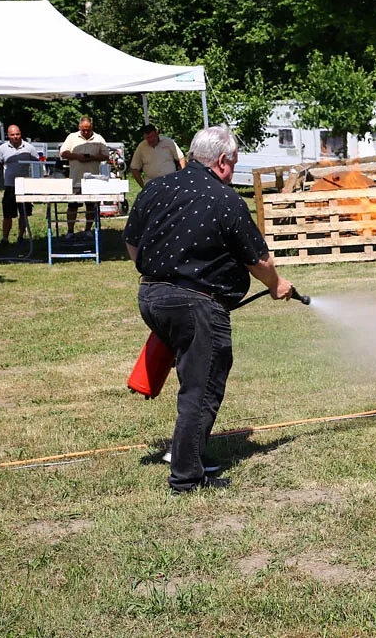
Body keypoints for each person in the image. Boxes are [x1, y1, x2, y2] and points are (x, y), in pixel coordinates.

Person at [123, 124, 293, 495]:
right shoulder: (225, 198)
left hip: (151, 297)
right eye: (233, 162)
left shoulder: (156, 188)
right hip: (196, 305)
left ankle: (193, 456)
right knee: (202, 388)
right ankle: (185, 477)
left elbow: (133, 245)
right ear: (221, 161)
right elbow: (258, 260)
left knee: (194, 378)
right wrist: (277, 285)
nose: (232, 170)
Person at [59, 116, 108, 240]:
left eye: (88, 129)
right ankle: (70, 231)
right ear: (79, 127)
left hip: (92, 180)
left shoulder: (99, 138)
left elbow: (106, 155)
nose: (86, 132)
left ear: (92, 127)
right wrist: (77, 156)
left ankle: (88, 230)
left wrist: (92, 157)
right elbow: (63, 153)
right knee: (72, 206)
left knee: (91, 206)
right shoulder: (72, 137)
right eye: (84, 130)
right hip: (75, 179)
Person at [0, 124, 39, 247]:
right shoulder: (2, 148)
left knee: (24, 214)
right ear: (8, 135)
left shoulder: (29, 148)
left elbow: (36, 163)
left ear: (21, 134)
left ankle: (21, 237)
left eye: (17, 134)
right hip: (9, 186)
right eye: (12, 135)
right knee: (7, 214)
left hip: (25, 186)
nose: (15, 137)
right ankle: (5, 239)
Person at [129, 124, 185, 188]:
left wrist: (182, 177)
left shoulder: (168, 142)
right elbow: (134, 167)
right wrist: (143, 186)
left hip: (170, 182)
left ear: (157, 134)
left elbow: (181, 158)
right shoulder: (141, 147)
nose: (150, 140)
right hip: (151, 184)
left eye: (152, 137)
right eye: (148, 138)